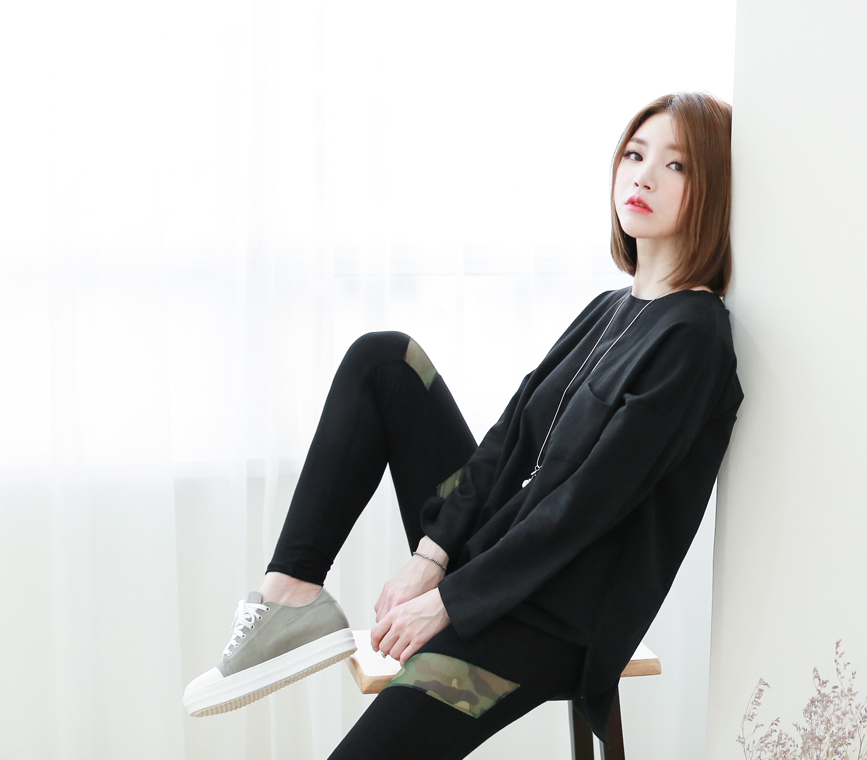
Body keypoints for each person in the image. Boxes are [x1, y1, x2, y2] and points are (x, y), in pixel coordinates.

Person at [182, 91, 743, 759]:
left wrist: (448, 600)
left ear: (713, 190)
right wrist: (434, 555)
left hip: (554, 618)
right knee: (386, 361)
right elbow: (509, 442)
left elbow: (586, 506)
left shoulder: (694, 335)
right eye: (634, 154)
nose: (643, 177)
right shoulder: (608, 308)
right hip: (501, 562)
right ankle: (291, 597)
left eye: (676, 166)